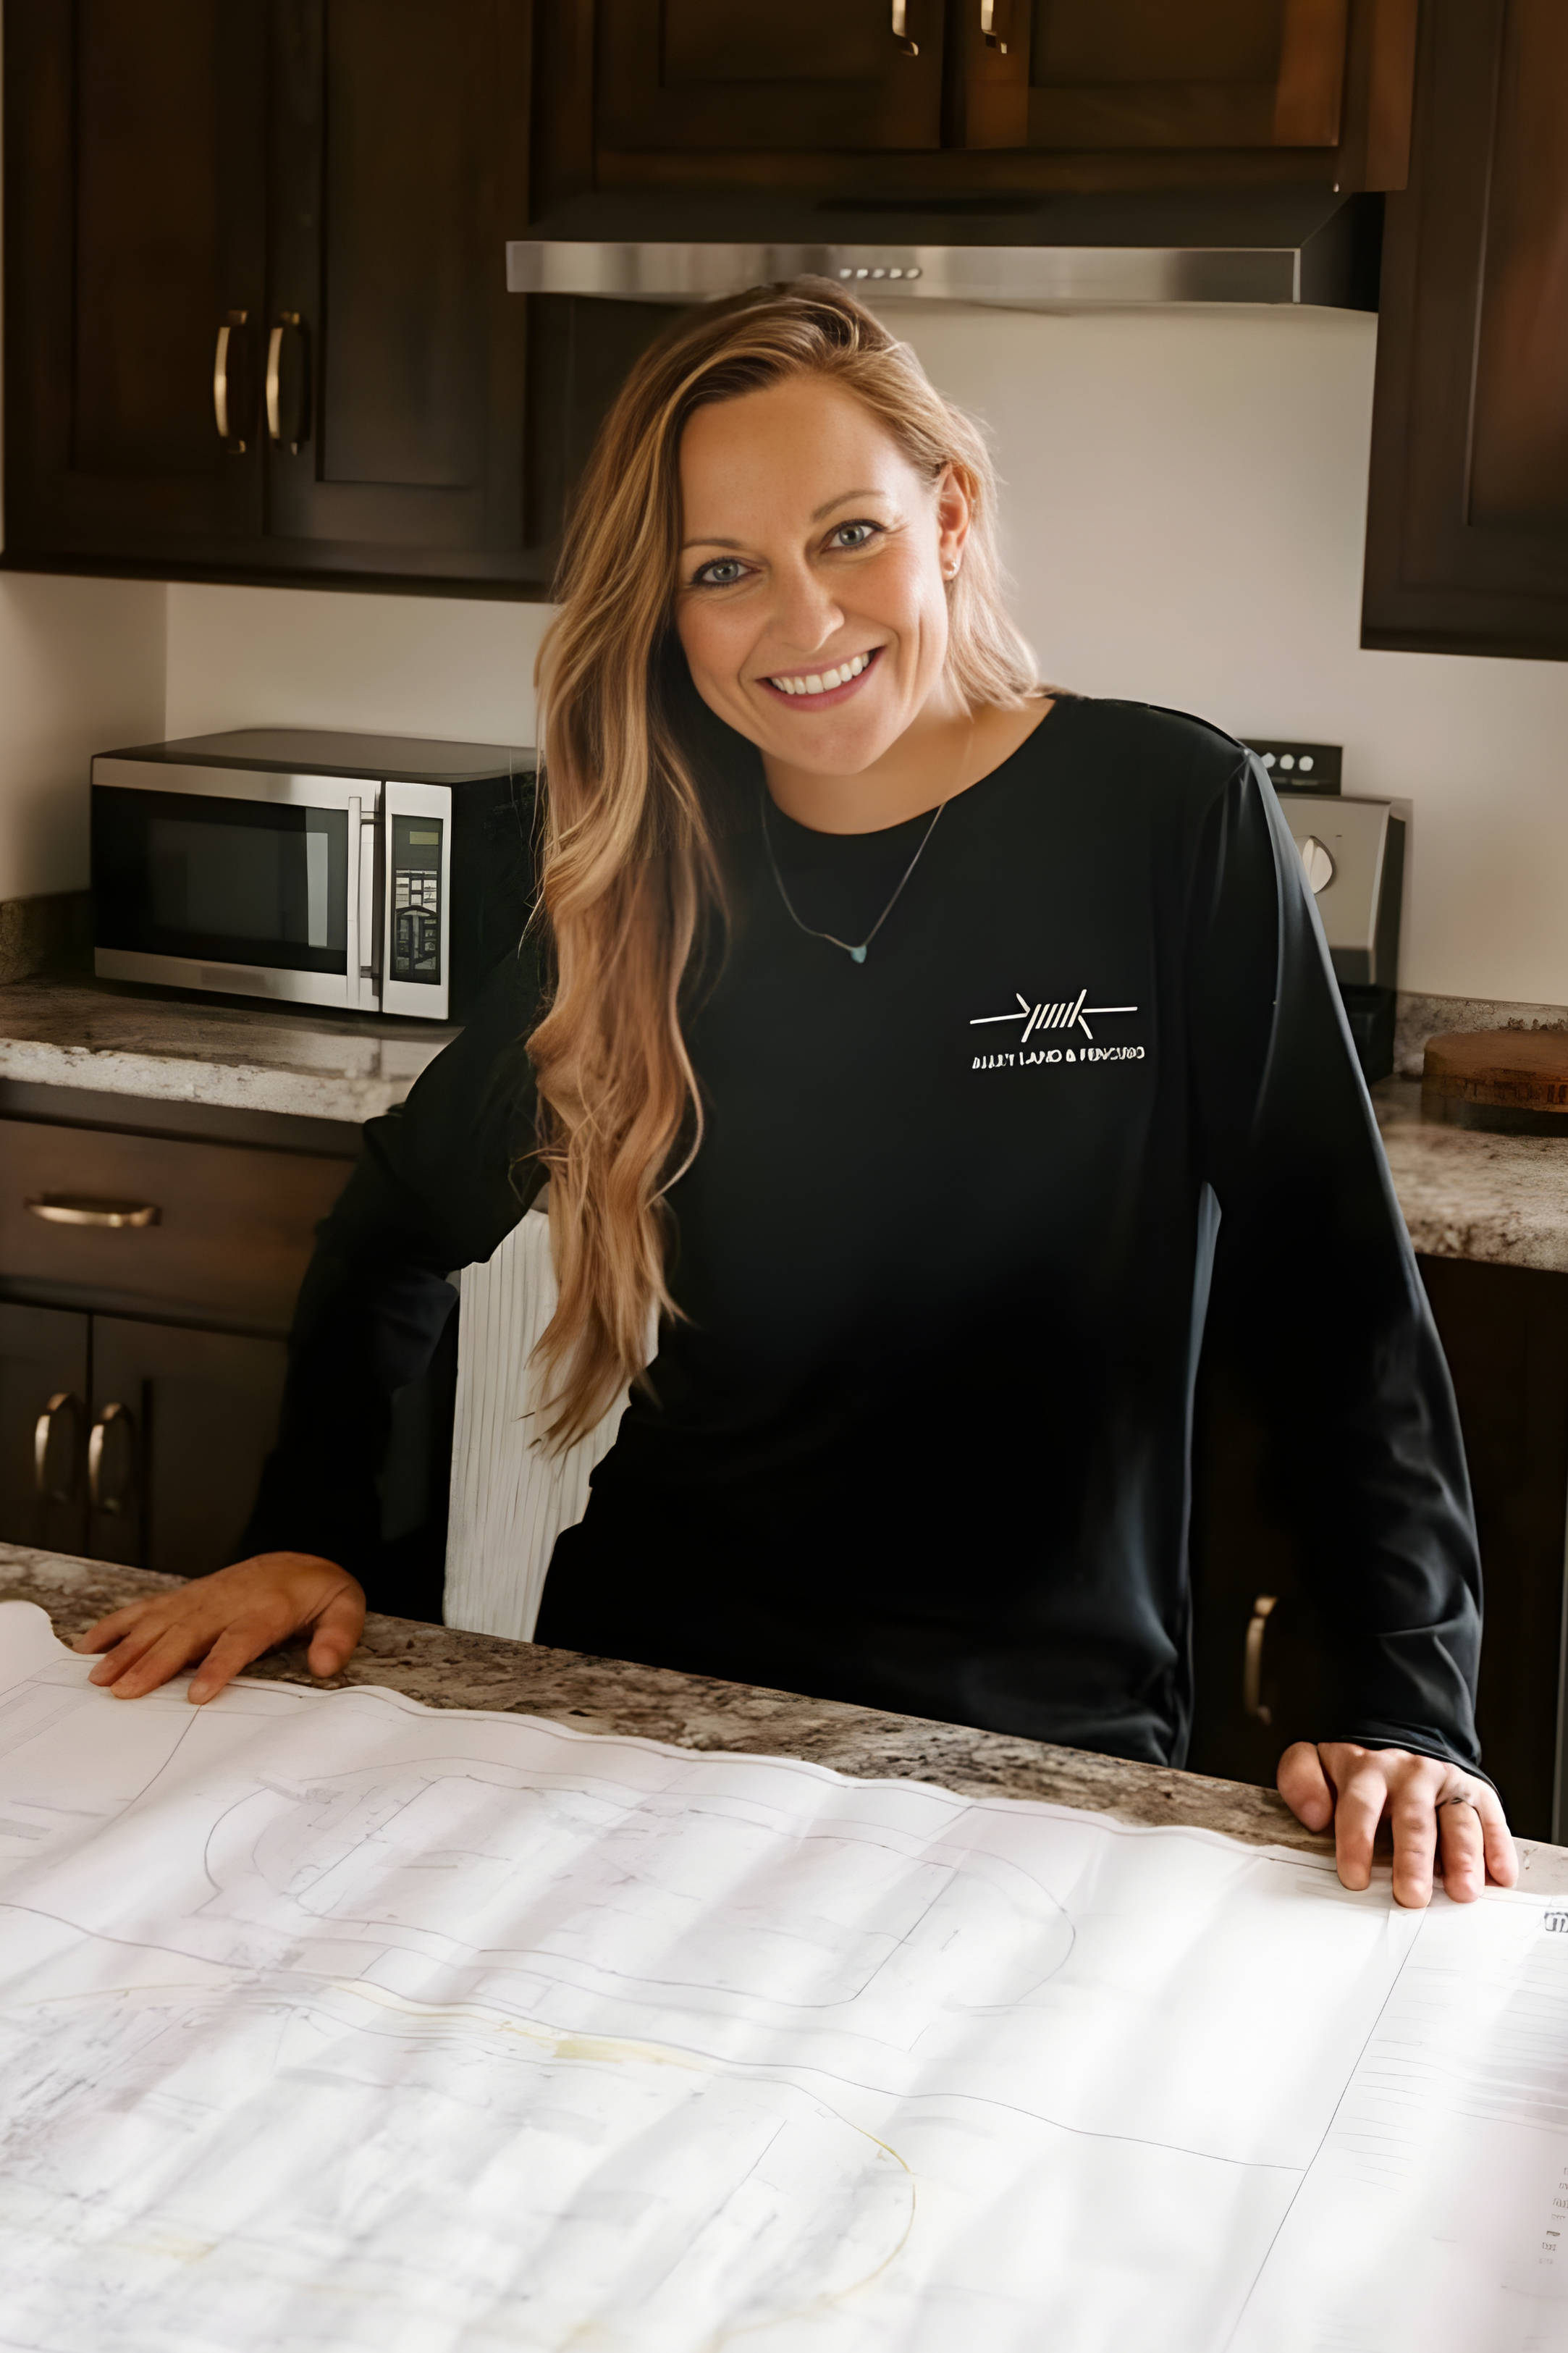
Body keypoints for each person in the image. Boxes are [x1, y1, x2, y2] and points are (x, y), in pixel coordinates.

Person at [77, 281, 1514, 1911]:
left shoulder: (1168, 814)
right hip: (648, 1707)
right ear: (671, 612)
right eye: (724, 571)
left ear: (947, 518)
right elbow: (398, 1226)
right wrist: (315, 1532)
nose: (806, 621)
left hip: (1047, 1737)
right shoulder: (645, 868)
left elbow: (1337, 1295)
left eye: (849, 535)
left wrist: (1410, 1701)